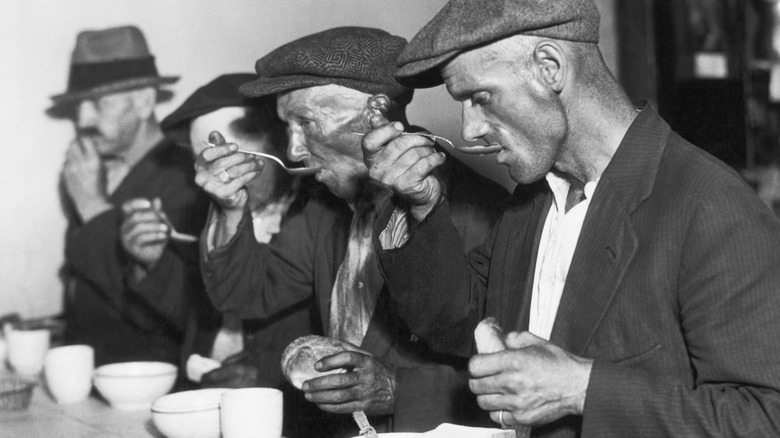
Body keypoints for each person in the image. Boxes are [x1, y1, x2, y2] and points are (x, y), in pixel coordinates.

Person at [363, 0, 780, 437]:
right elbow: (455, 325)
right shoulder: (533, 202)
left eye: (480, 98)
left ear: (549, 67)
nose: (469, 129)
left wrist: (582, 389)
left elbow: (766, 416)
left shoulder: (710, 205)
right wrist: (424, 205)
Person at [195, 27, 510, 436]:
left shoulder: (480, 210)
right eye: (287, 127)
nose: (293, 150)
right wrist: (229, 209)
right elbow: (247, 293)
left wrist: (398, 389)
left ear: (374, 112)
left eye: (305, 122)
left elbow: (512, 378)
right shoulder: (325, 205)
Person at [51, 25, 209, 367]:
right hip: (90, 374)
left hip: (149, 381)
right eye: (79, 105)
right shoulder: (95, 171)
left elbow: (166, 309)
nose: (82, 120)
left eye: (97, 103)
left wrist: (93, 208)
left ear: (143, 102)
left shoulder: (186, 177)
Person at [159, 73, 313, 390]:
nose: (218, 178)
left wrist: (272, 374)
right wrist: (150, 264)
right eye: (204, 165)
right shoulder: (208, 211)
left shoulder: (316, 214)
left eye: (230, 162)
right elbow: (193, 310)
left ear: (280, 146)